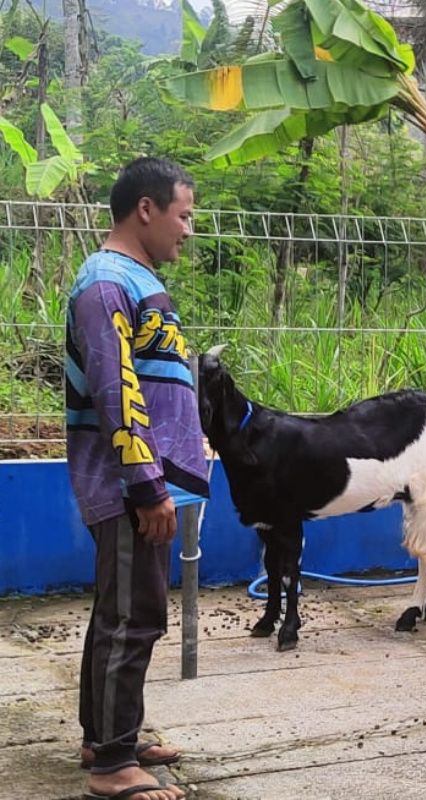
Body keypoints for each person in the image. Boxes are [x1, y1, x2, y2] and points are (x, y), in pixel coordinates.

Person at [67, 157, 209, 800]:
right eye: (183, 215)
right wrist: (148, 486)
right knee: (135, 618)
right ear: (145, 210)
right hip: (131, 487)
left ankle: (107, 736)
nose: (187, 230)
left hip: (141, 482)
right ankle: (113, 766)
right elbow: (113, 387)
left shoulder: (130, 277)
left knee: (117, 614)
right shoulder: (104, 282)